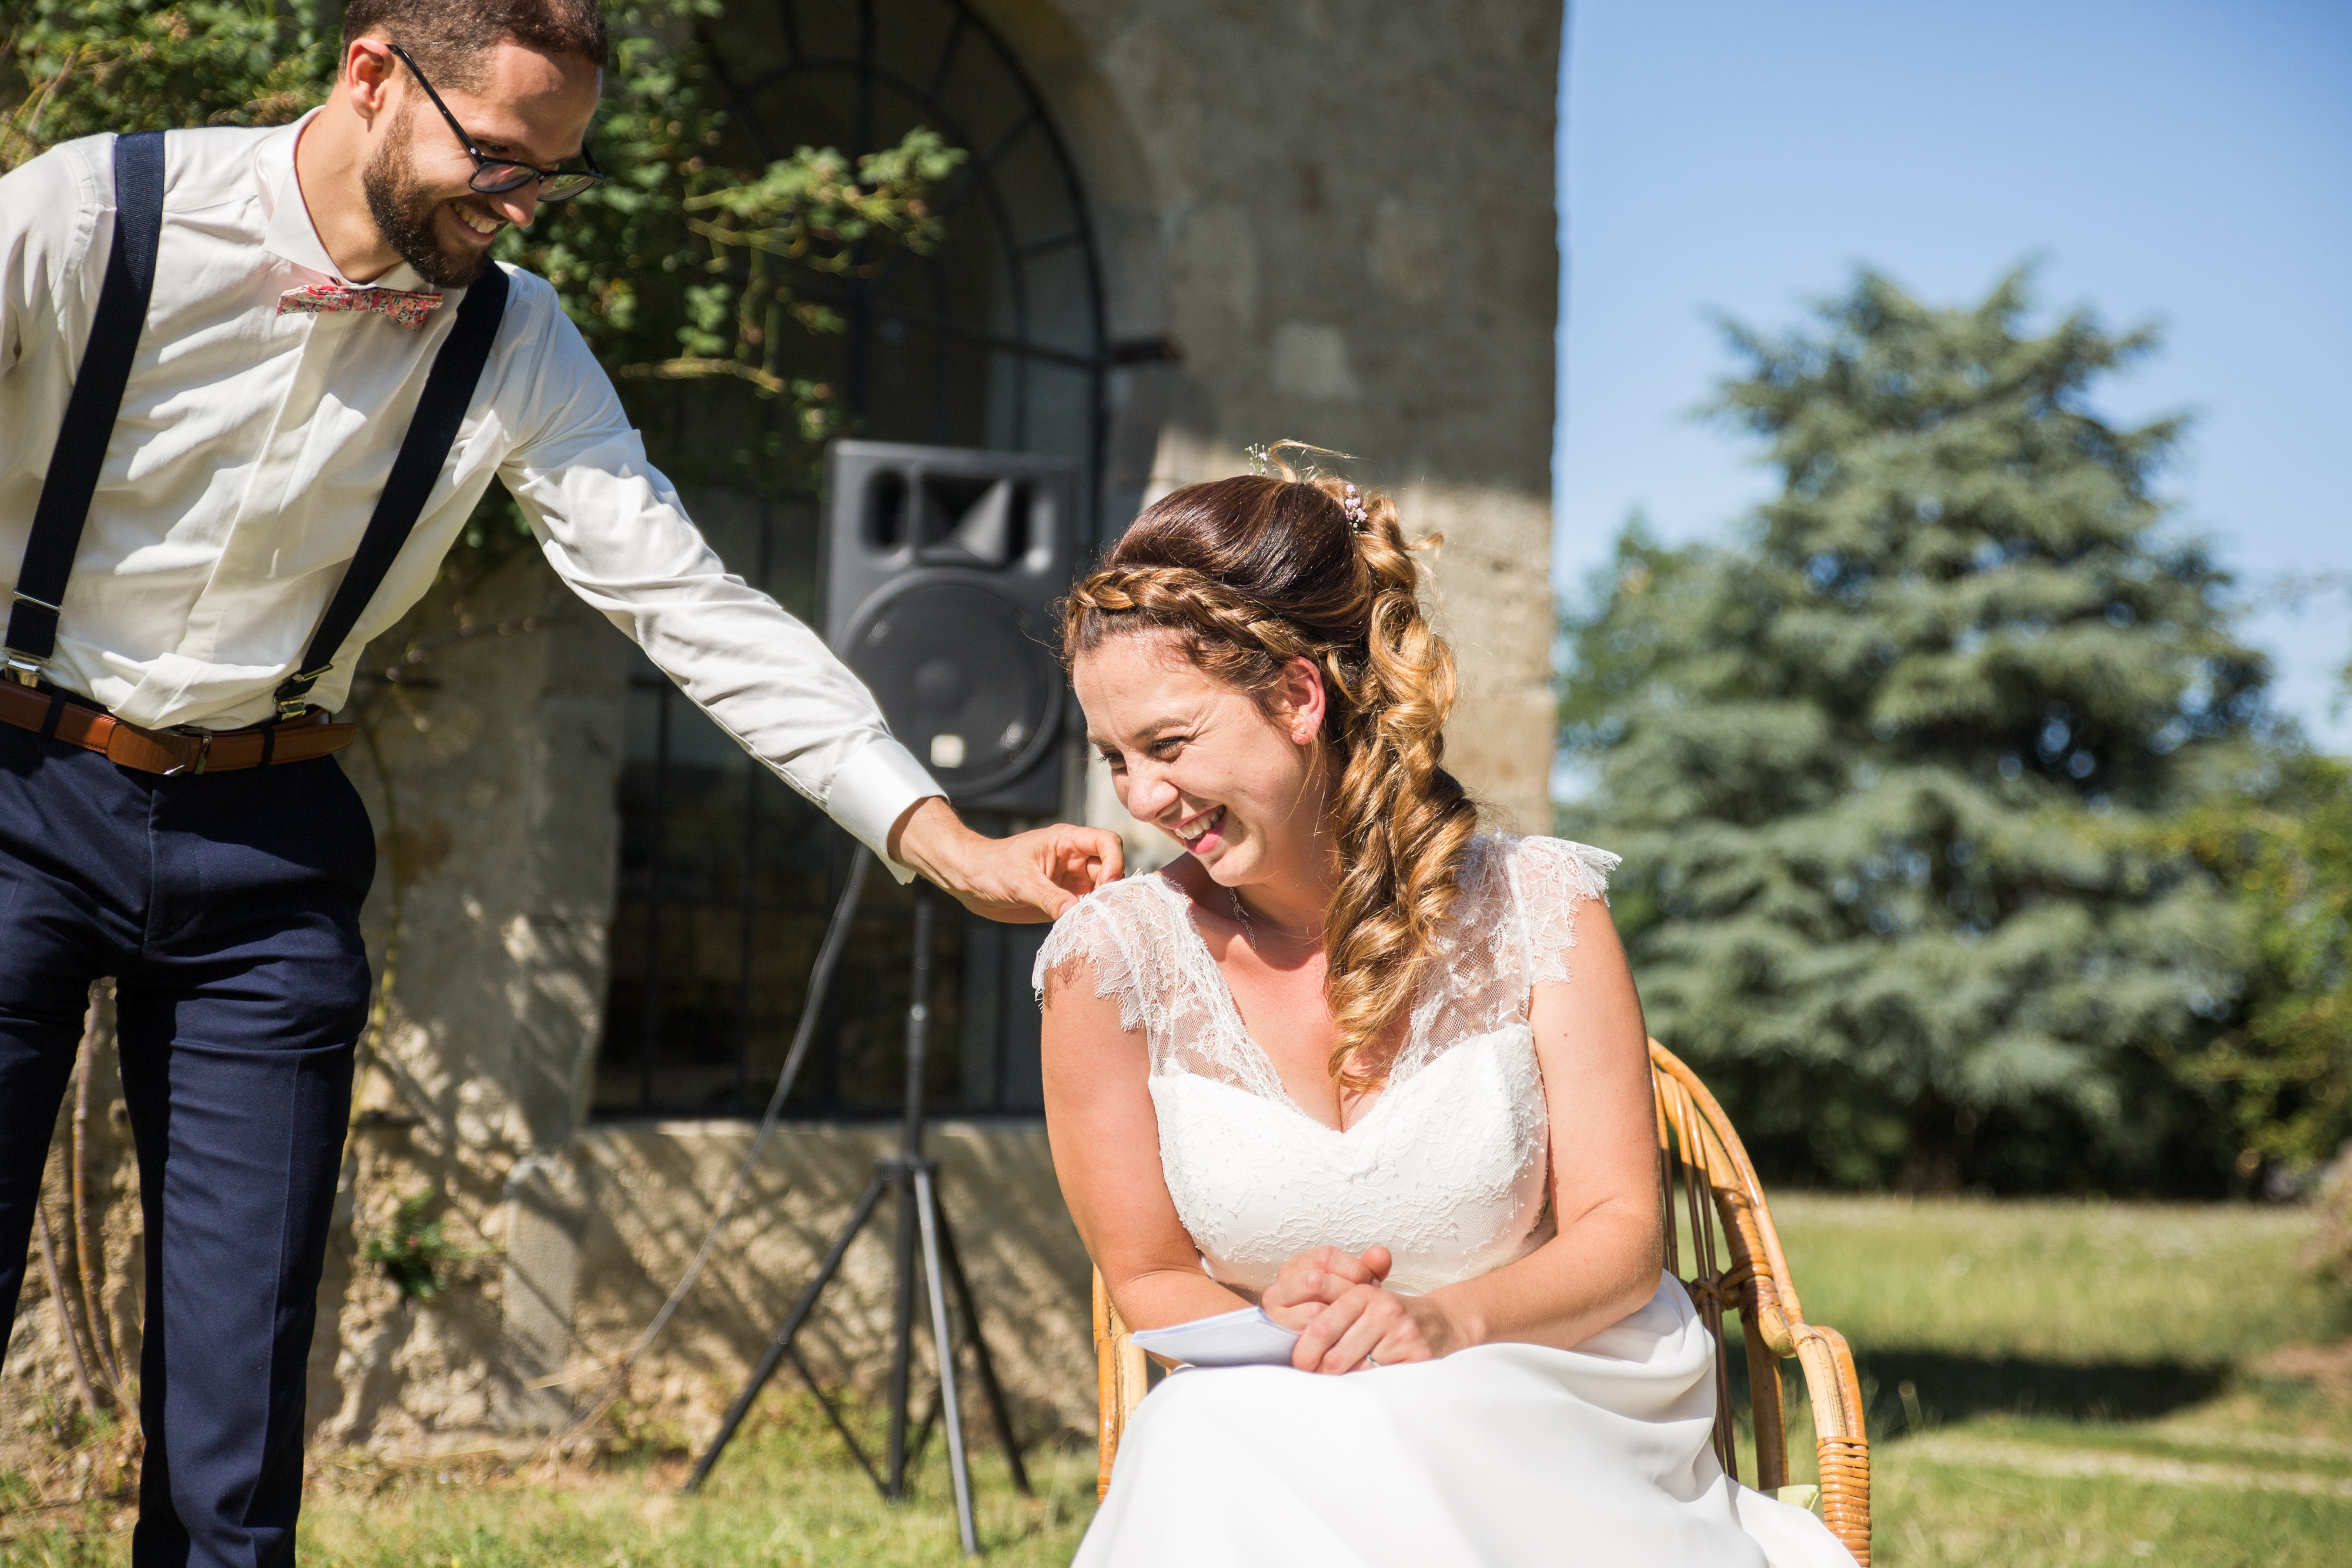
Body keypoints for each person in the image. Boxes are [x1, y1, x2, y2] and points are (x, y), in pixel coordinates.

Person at [0, 2, 1117, 1562]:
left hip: (268, 843)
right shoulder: (83, 216)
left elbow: (690, 600)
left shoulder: (516, 340)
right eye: (501, 161)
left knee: (236, 1414)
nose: (523, 206)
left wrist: (937, 838)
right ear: (374, 75)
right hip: (18, 790)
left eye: (556, 176)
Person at [1036, 455, 1855, 1567]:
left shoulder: (1543, 908)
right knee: (1195, 1432)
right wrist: (1300, 1327)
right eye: (1115, 759)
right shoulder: (1109, 964)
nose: (1140, 798)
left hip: (1552, 1389)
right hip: (1276, 1401)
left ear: (1296, 696)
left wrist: (1444, 1325)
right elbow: (1145, 1278)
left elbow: (1621, 1234)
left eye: (1169, 747)